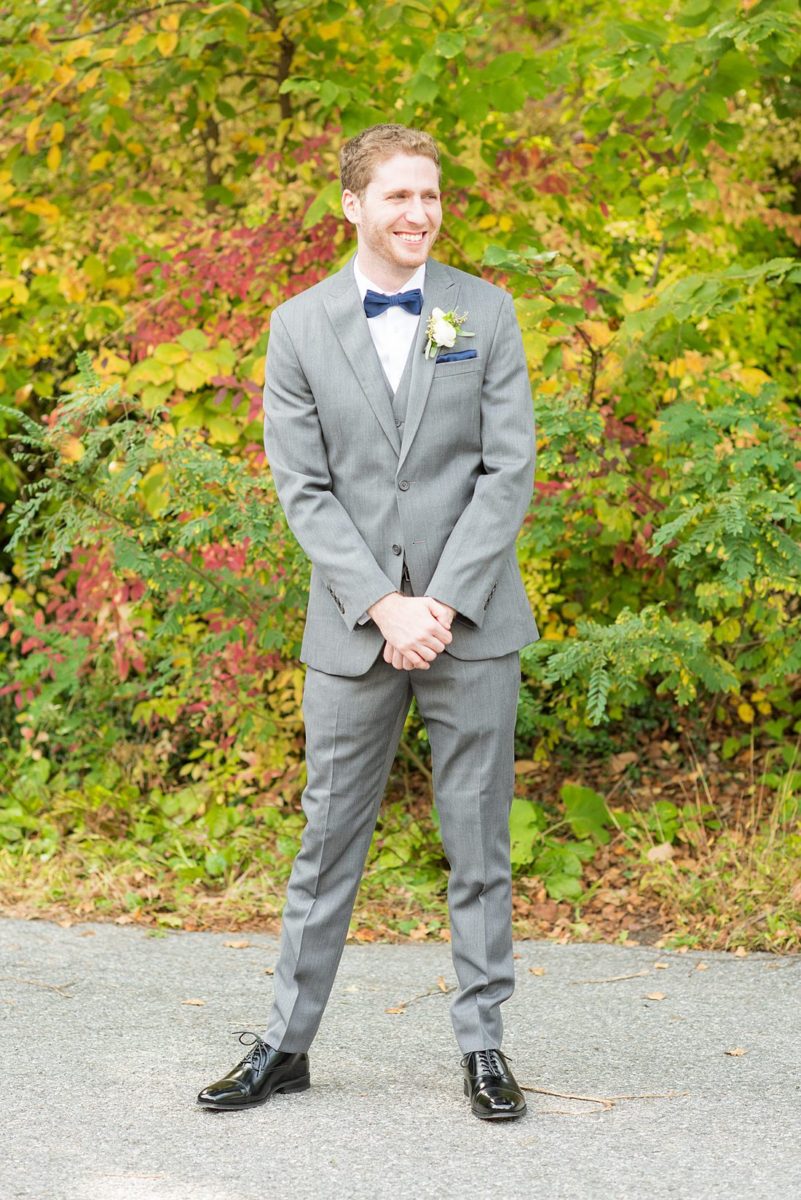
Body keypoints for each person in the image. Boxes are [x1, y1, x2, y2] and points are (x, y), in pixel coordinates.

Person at [197, 123, 540, 1121]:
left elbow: (506, 469)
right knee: (324, 844)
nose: (417, 214)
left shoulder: (486, 312)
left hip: (469, 623)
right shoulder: (298, 326)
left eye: (429, 196)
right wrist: (383, 603)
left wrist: (437, 602)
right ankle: (285, 1045)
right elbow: (303, 488)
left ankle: (483, 1046)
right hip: (353, 632)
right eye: (397, 197)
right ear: (352, 205)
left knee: (478, 842)